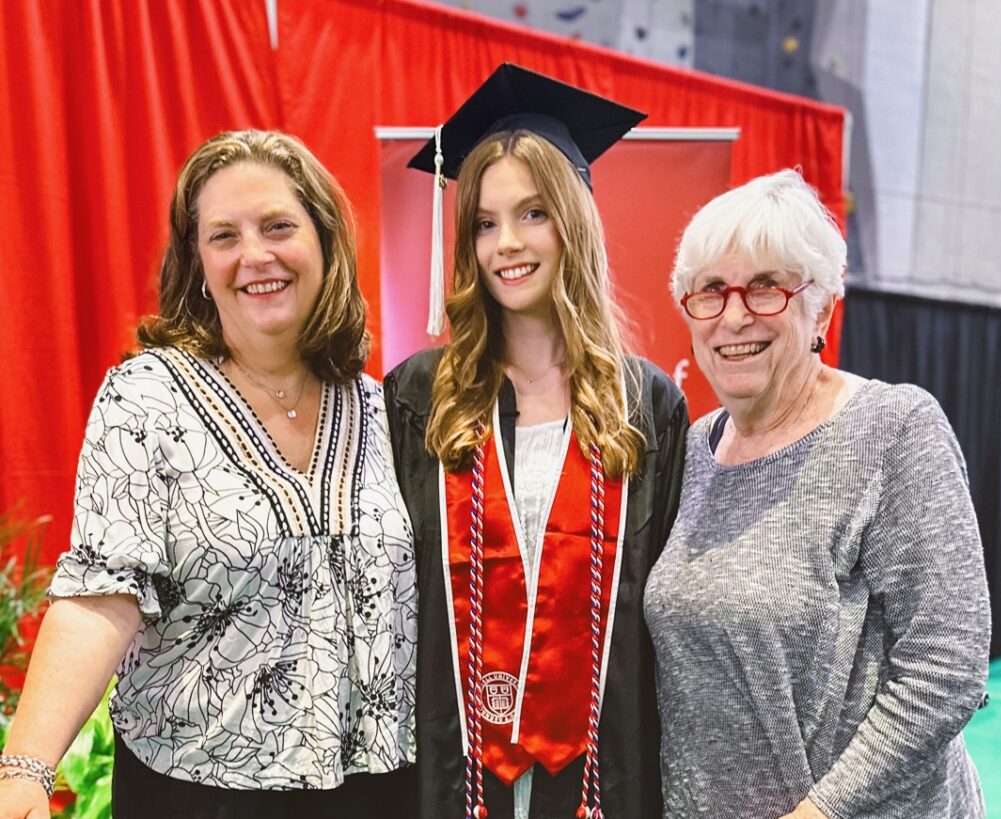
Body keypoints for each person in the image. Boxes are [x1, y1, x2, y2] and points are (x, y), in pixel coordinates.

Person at [0, 130, 416, 818]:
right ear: (197, 261)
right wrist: (25, 769)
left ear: (324, 241)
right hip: (197, 796)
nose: (255, 255)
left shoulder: (384, 408)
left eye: (278, 226)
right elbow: (102, 594)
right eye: (223, 236)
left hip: (380, 793)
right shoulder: (147, 397)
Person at [386, 64, 688, 819]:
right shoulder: (422, 394)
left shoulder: (645, 403)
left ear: (574, 220)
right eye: (485, 222)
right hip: (455, 771)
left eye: (532, 214)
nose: (506, 244)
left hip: (599, 772)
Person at [644, 168, 991, 819]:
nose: (735, 315)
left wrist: (817, 813)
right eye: (711, 290)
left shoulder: (891, 431)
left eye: (766, 288)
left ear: (821, 307)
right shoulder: (690, 449)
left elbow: (945, 670)